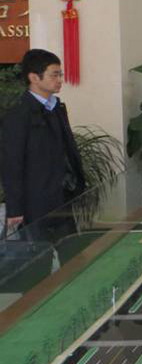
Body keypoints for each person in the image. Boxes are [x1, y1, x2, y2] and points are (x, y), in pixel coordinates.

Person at [1, 49, 86, 232]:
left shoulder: (57, 107)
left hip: (63, 197)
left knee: (71, 247)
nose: (60, 80)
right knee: (40, 250)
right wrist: (14, 208)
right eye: (54, 75)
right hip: (35, 204)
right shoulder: (18, 113)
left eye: (60, 74)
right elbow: (12, 163)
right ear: (34, 78)